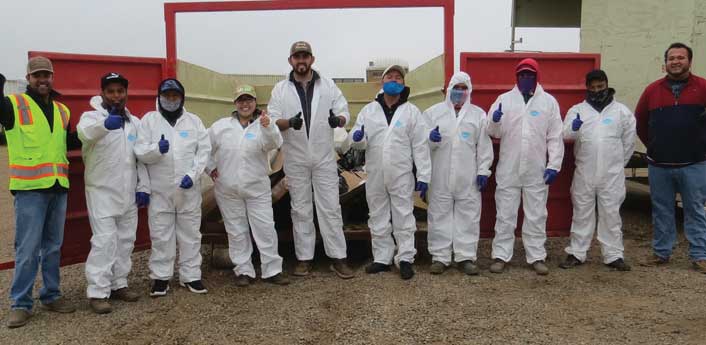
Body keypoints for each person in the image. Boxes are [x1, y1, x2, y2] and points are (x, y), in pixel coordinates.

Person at [0, 57, 80, 328]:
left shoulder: (62, 111)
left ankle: (51, 295)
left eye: (46, 74)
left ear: (52, 76)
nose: (42, 79)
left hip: (58, 187)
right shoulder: (13, 105)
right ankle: (20, 303)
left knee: (53, 247)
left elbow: (68, 142)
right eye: (37, 75)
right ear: (28, 78)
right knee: (27, 249)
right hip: (30, 189)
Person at [268, 41, 354, 279]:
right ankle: (304, 258)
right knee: (300, 208)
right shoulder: (280, 90)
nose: (301, 60)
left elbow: (343, 110)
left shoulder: (328, 85)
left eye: (305, 56)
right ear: (290, 61)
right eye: (297, 57)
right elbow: (273, 119)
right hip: (295, 158)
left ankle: (339, 257)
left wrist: (338, 120)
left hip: (323, 157)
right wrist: (289, 123)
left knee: (330, 207)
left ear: (312, 59)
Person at [348, 64, 431, 280]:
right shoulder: (369, 111)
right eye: (390, 77)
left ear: (404, 83)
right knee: (377, 215)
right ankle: (382, 258)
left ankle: (405, 258)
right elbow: (358, 139)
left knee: (403, 215)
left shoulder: (411, 112)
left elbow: (420, 146)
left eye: (398, 78)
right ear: (382, 82)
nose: (394, 80)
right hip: (375, 173)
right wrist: (357, 139)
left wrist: (423, 175)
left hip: (401, 173)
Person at [77, 73, 150, 314]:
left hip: (128, 192)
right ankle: (98, 291)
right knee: (104, 241)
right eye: (111, 91)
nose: (116, 96)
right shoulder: (92, 117)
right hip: (101, 192)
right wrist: (104, 125)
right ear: (103, 93)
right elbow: (84, 134)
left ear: (126, 93)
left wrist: (143, 187)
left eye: (120, 91)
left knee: (126, 241)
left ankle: (119, 284)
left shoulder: (135, 122)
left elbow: (140, 157)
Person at [487, 58, 564, 275]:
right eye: (522, 75)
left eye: (530, 75)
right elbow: (492, 132)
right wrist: (494, 120)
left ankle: (536, 256)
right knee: (505, 214)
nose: (525, 78)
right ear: (516, 77)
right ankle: (501, 256)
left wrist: (554, 165)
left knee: (536, 214)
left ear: (537, 76)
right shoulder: (504, 100)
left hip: (536, 170)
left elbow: (555, 136)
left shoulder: (548, 102)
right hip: (509, 169)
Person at [135, 78, 211, 296]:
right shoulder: (148, 121)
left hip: (188, 190)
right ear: (159, 96)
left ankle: (191, 276)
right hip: (160, 192)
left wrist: (192, 174)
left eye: (174, 96)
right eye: (166, 95)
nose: (170, 100)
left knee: (190, 234)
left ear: (182, 97)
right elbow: (139, 152)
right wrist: (156, 150)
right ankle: (161, 278)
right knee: (161, 235)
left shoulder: (194, 122)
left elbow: (203, 151)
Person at [206, 85, 289, 286]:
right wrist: (210, 168)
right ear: (235, 103)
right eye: (241, 100)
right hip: (228, 189)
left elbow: (274, 143)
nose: (245, 104)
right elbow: (204, 148)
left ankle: (272, 270)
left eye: (249, 100)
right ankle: (243, 270)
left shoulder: (263, 124)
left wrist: (268, 126)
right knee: (236, 230)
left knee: (265, 228)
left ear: (255, 103)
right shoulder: (221, 126)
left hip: (256, 188)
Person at [635, 42, 706, 273]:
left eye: (681, 57)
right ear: (664, 63)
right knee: (662, 209)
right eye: (671, 58)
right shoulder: (652, 90)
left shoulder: (703, 87)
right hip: (660, 165)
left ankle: (700, 255)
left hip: (694, 163)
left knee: (695, 209)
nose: (675, 61)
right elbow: (640, 122)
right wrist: (654, 145)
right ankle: (661, 253)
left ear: (689, 61)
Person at [560, 69, 635, 271]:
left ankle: (613, 255)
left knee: (611, 214)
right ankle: (577, 252)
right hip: (585, 171)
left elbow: (628, 143)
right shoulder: (578, 110)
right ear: (587, 88)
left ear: (607, 85)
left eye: (600, 86)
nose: (596, 90)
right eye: (592, 87)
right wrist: (574, 128)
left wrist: (617, 165)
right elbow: (565, 134)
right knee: (582, 213)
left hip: (612, 175)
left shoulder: (622, 112)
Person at [422, 71, 493, 276]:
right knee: (438, 215)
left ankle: (465, 257)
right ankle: (440, 257)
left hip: (468, 177)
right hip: (440, 176)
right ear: (448, 89)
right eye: (456, 88)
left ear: (469, 91)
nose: (459, 92)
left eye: (464, 88)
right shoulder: (432, 113)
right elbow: (420, 145)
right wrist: (430, 139)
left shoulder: (478, 114)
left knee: (468, 216)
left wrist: (483, 170)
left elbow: (484, 146)